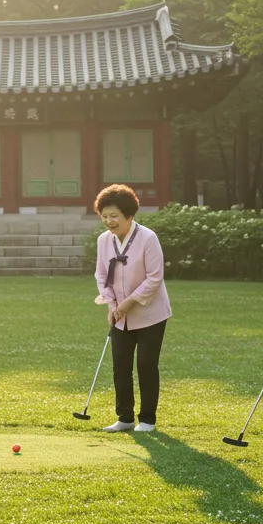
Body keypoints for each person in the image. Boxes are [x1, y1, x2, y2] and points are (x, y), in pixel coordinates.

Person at [92, 184, 171, 433]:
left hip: (150, 313)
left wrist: (128, 302)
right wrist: (112, 304)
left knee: (146, 364)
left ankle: (147, 419)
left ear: (129, 215)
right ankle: (124, 418)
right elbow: (101, 275)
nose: (109, 221)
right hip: (119, 315)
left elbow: (154, 278)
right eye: (104, 216)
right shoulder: (104, 241)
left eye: (114, 216)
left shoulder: (148, 238)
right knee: (120, 365)